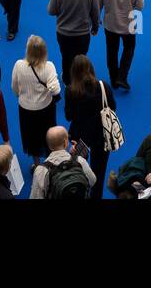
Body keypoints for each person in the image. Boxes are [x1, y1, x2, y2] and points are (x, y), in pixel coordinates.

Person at [64, 54, 116, 200]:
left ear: (73, 71)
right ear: (91, 69)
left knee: (78, 167)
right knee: (98, 172)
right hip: (102, 136)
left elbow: (69, 116)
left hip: (80, 138)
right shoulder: (103, 85)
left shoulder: (70, 90)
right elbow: (112, 107)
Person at [47, 0, 99, 82]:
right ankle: (80, 79)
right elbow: (95, 12)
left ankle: (67, 80)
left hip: (63, 34)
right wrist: (95, 28)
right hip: (83, 34)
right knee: (81, 57)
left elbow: (51, 11)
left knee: (66, 56)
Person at [11, 34, 60, 166]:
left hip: (26, 109)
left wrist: (21, 96)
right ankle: (50, 164)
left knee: (31, 138)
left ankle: (37, 165)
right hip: (45, 109)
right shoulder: (48, 66)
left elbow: (14, 87)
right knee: (48, 137)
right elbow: (56, 91)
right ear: (44, 51)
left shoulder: (18, 65)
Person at [97, 0, 143, 91]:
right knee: (129, 49)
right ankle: (122, 76)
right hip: (130, 25)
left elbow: (97, 6)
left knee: (112, 51)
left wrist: (96, 21)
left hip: (110, 25)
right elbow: (140, 6)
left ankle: (114, 79)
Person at [30, 125, 96, 199]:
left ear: (49, 146)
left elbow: (35, 196)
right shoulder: (80, 161)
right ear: (66, 142)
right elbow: (92, 181)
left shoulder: (41, 170)